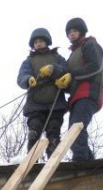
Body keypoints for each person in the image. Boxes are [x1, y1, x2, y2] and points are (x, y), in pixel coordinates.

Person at [54, 17, 103, 161]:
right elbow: (72, 78)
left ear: (81, 31)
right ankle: (89, 162)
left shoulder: (90, 45)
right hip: (77, 96)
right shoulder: (72, 55)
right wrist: (64, 84)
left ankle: (80, 161)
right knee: (74, 130)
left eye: (75, 31)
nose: (71, 34)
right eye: (69, 32)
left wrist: (72, 75)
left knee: (75, 129)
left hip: (89, 92)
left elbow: (95, 66)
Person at [16, 27, 69, 159]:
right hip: (35, 101)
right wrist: (28, 79)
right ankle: (31, 160)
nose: (38, 44)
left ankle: (53, 160)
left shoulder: (57, 57)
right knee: (34, 131)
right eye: (35, 42)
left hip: (55, 101)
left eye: (40, 41)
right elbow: (22, 75)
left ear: (46, 42)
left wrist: (54, 69)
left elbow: (66, 70)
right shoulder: (29, 61)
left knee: (54, 132)